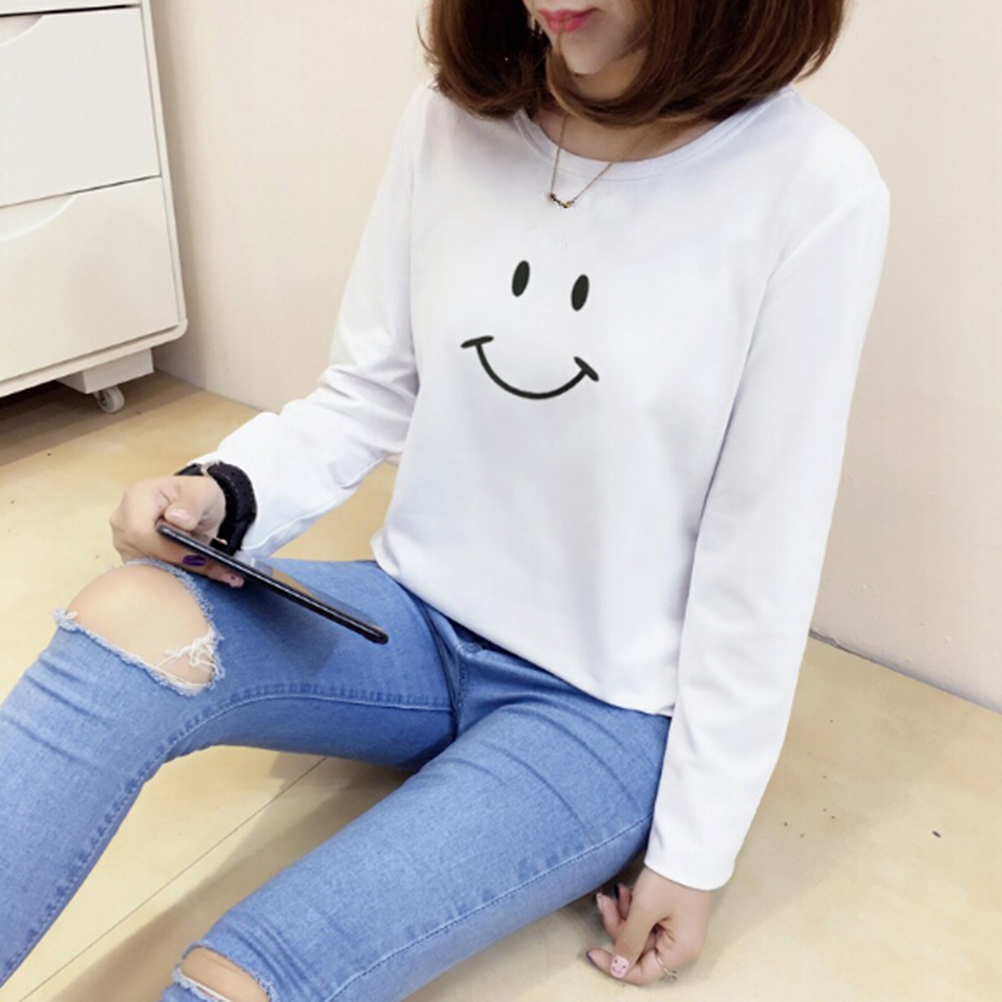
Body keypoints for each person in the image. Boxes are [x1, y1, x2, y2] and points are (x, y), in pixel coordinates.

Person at [0, 0, 889, 998]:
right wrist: (216, 492)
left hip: (600, 712)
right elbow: (368, 391)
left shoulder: (812, 187)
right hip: (411, 624)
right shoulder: (454, 117)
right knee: (124, 618)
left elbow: (763, 547)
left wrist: (696, 852)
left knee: (246, 975)